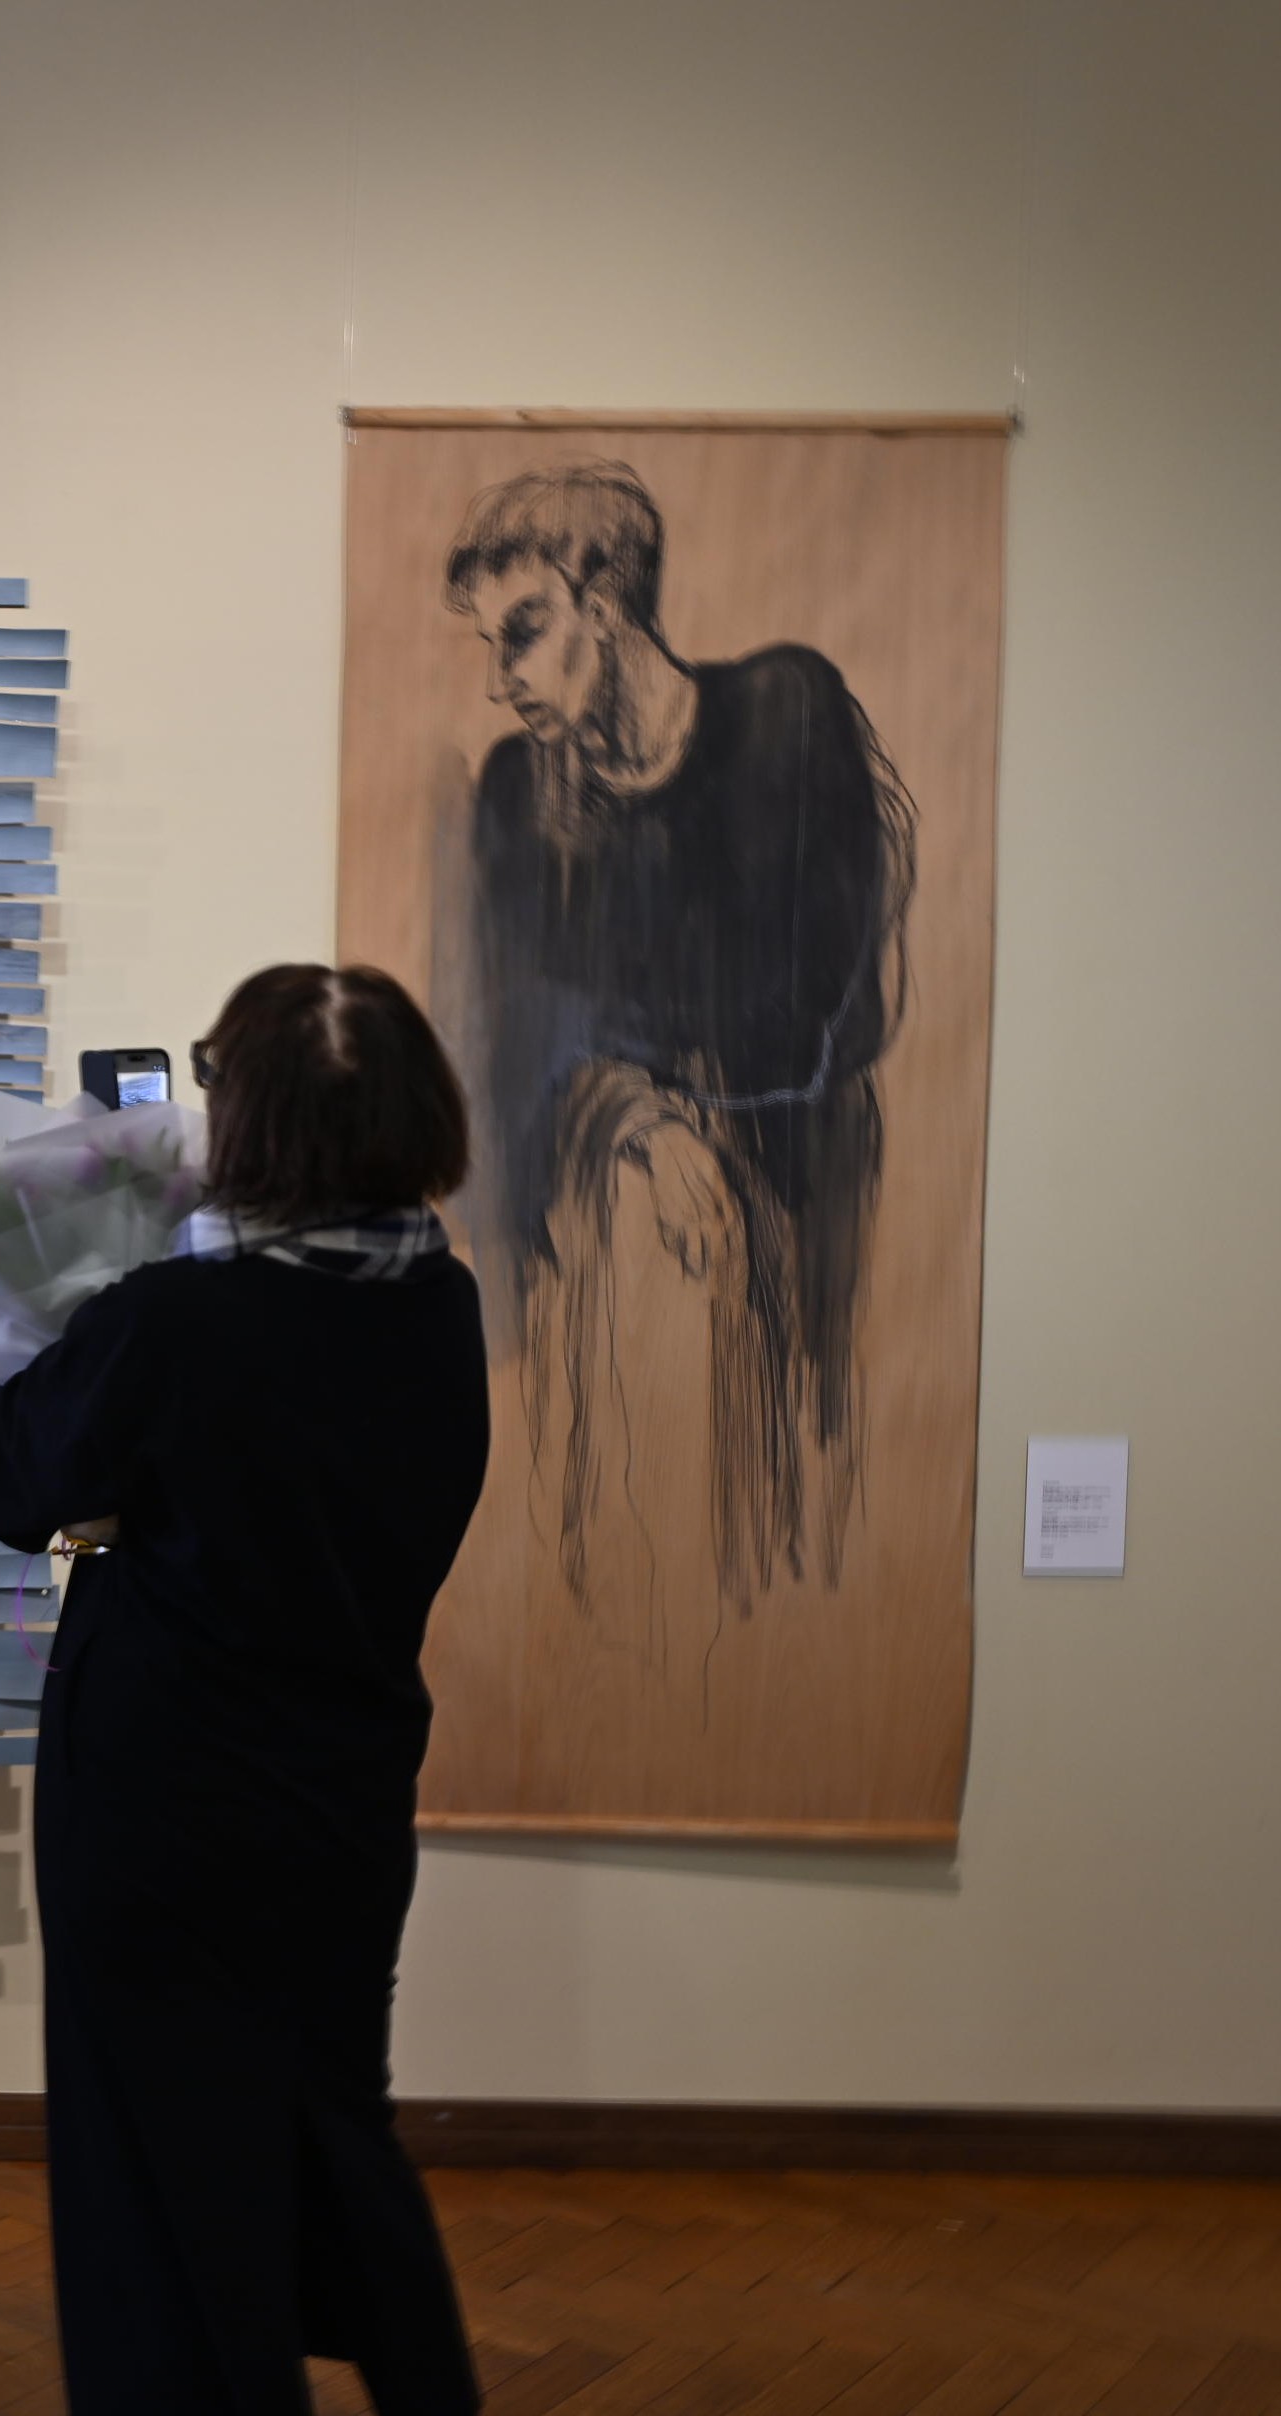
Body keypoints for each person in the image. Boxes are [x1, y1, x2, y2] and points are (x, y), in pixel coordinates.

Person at [0, 963, 515, 2416]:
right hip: (341, 1809)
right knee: (341, 2150)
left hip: (164, 1817)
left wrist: (64, 1314)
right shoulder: (439, 1304)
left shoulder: (181, 1323)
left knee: (172, 2194)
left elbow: (12, 1476)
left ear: (250, 1126)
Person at [446, 460, 910, 1613]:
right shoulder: (519, 796)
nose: (502, 681)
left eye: (525, 631)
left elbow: (822, 1012)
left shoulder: (784, 719)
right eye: (490, 644)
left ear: (606, 604)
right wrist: (641, 1118)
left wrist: (635, 1075)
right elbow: (517, 1046)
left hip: (802, 1185)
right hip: (615, 1210)